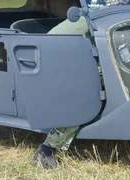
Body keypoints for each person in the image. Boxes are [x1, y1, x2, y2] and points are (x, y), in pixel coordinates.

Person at [32, 16, 91, 169]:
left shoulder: (94, 12)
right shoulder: (98, 18)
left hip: (55, 56)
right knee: (80, 97)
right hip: (56, 61)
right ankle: (46, 151)